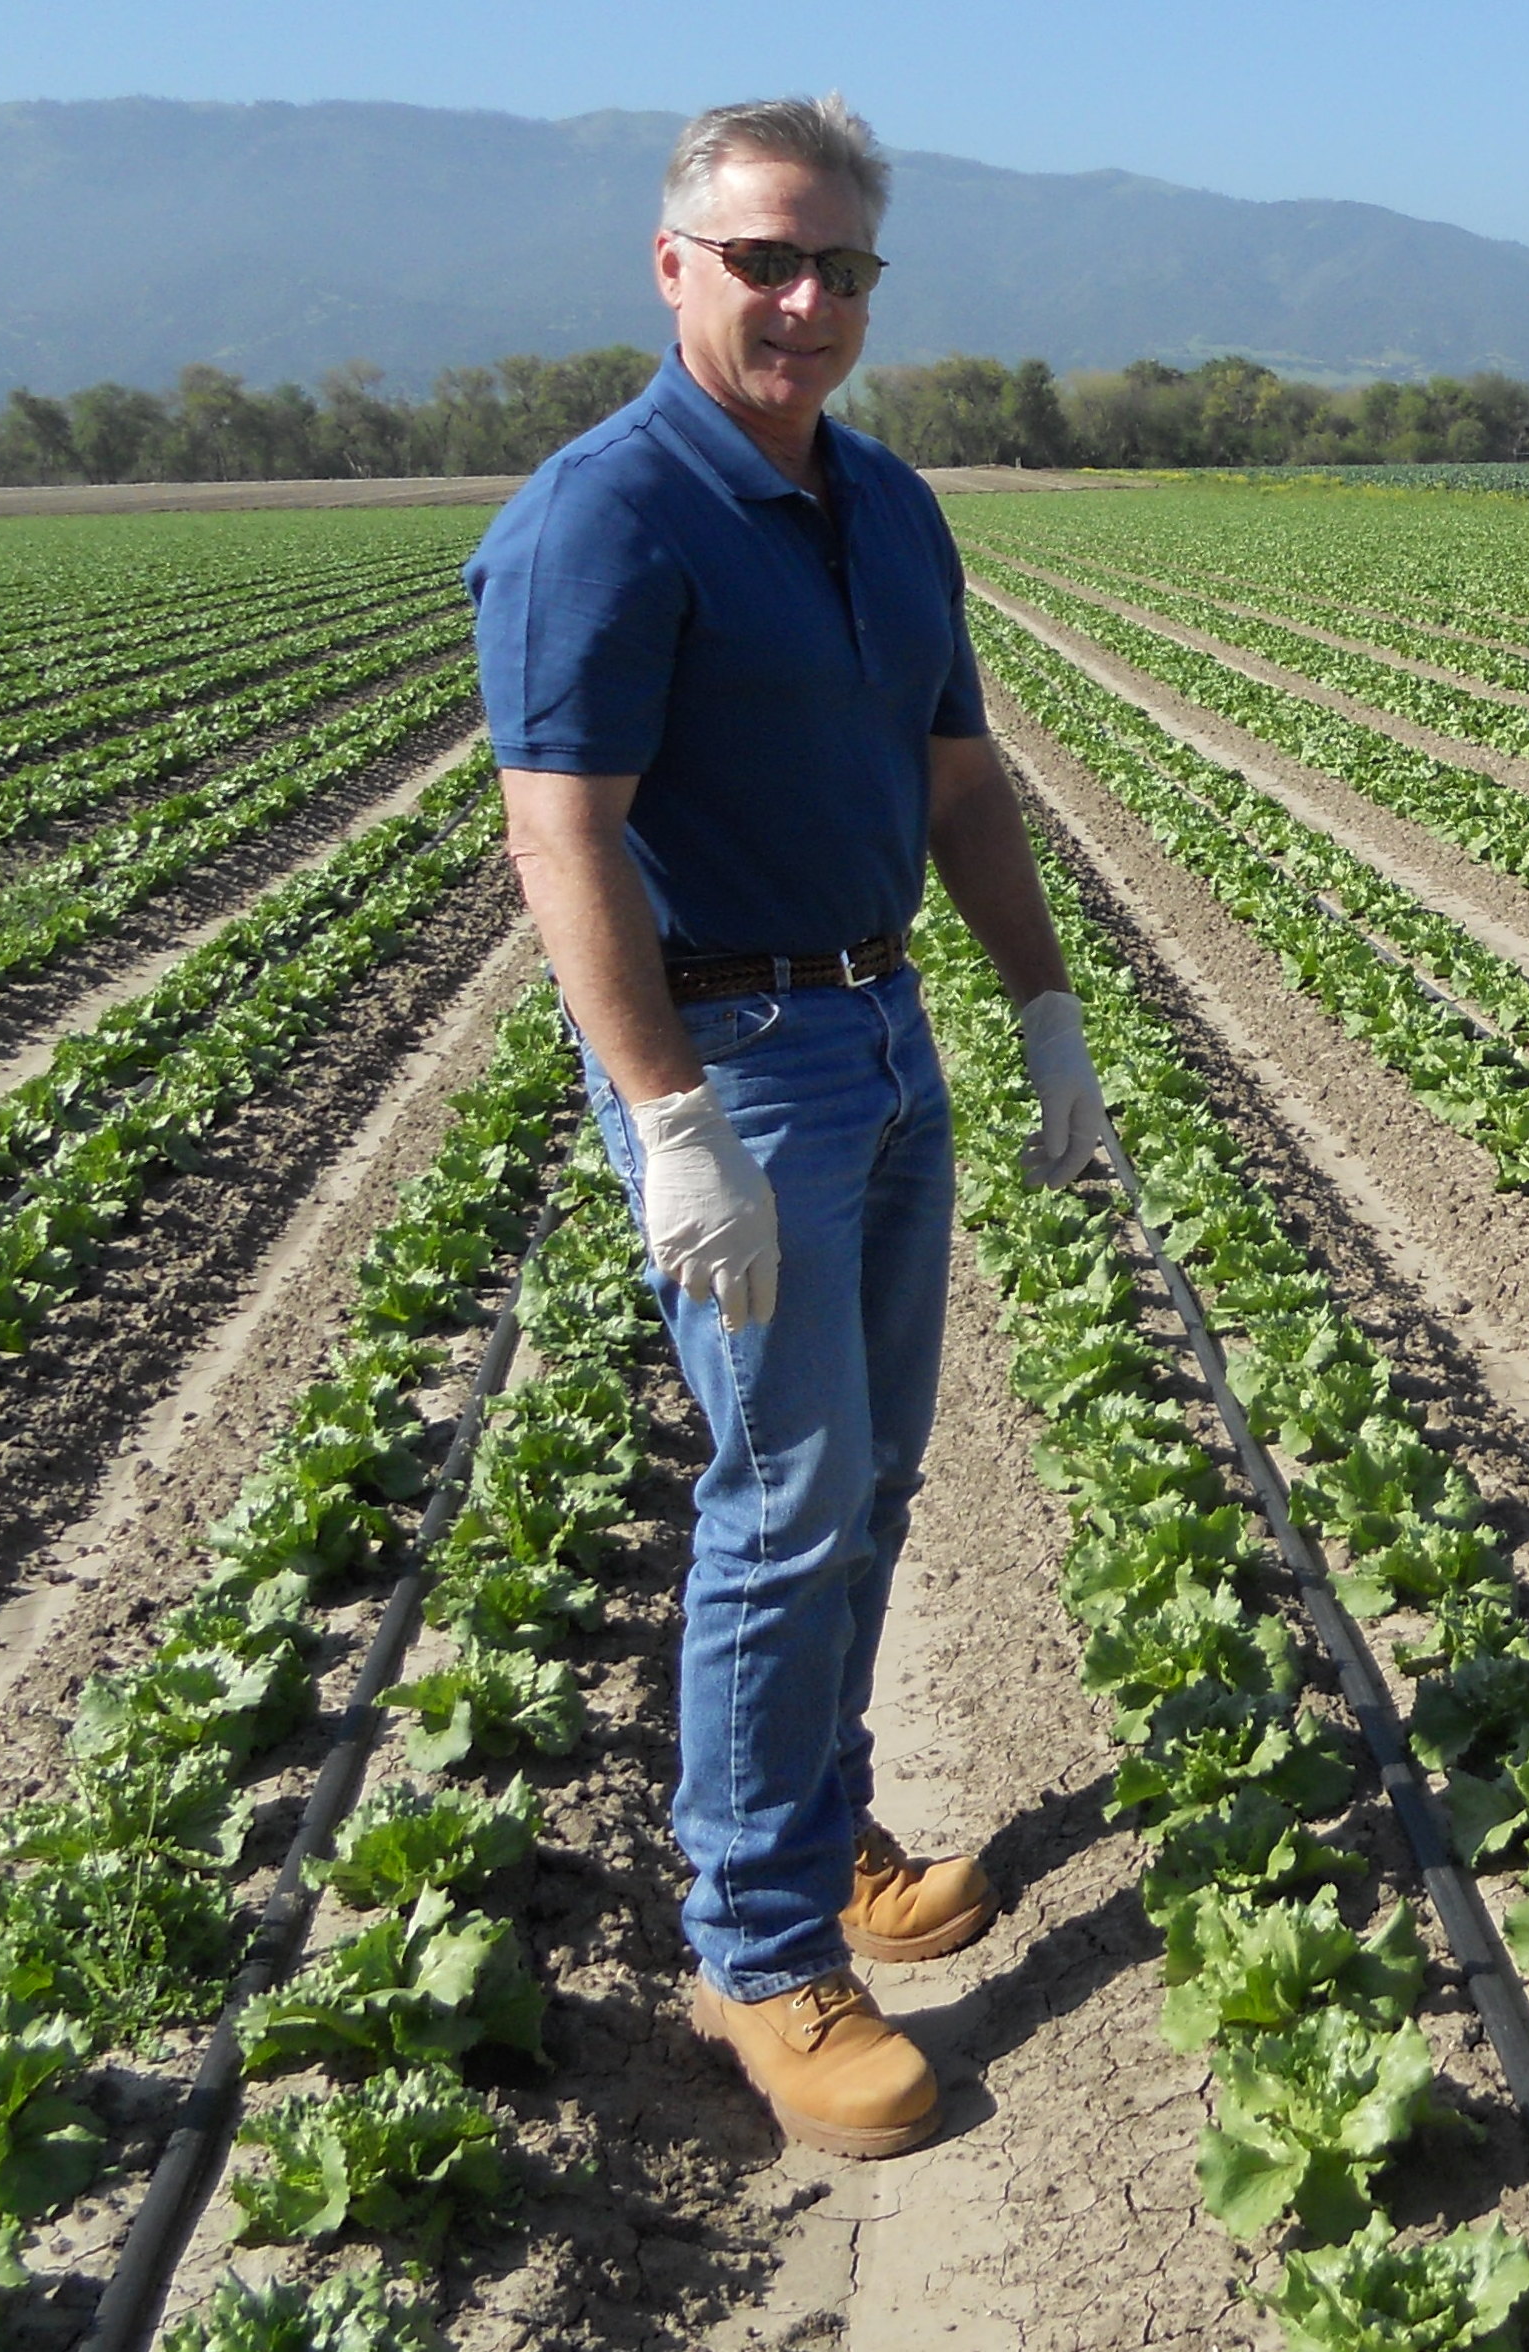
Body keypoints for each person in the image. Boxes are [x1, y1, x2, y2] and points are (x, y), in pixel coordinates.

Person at [464, 93, 1106, 2161]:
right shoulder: (606, 514)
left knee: (878, 1473)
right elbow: (560, 836)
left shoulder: (887, 503)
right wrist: (667, 1117)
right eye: (763, 259)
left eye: (838, 266)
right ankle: (756, 1949)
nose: (806, 299)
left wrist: (1045, 1009)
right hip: (734, 1056)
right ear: (675, 269)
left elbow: (962, 778)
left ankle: (818, 1836)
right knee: (783, 1494)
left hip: (882, 1019)